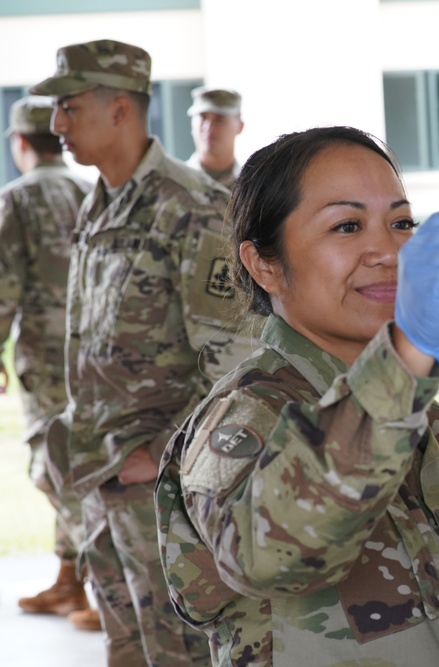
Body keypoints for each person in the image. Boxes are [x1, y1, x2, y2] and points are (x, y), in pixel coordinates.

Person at [155, 125, 439, 666]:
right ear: (264, 265)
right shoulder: (244, 418)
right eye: (347, 226)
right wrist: (407, 351)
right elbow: (271, 557)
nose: (387, 251)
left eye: (401, 222)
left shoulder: (427, 420)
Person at [30, 39, 255, 665]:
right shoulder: (97, 204)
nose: (56, 126)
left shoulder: (190, 208)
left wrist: (158, 455)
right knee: (125, 649)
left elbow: (236, 364)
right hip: (99, 477)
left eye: (70, 108)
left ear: (121, 110)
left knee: (176, 653)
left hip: (157, 485)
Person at [0, 95, 94, 623]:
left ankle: (108, 582)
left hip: (46, 358)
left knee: (53, 468)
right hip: (95, 358)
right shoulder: (90, 191)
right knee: (77, 463)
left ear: (19, 143)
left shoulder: (16, 200)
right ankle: (70, 581)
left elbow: (3, 286)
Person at [185, 86, 243, 189]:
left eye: (219, 118)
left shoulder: (249, 184)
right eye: (202, 117)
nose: (209, 127)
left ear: (240, 126)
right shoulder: (177, 181)